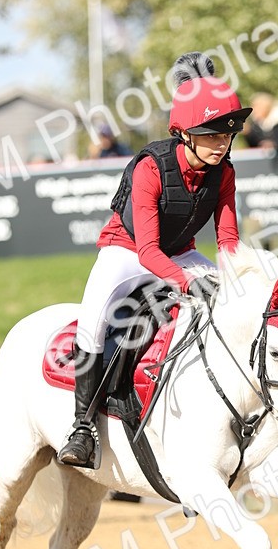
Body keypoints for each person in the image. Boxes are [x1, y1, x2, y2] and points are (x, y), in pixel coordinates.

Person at [58, 51, 252, 468]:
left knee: (233, 302)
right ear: (184, 133)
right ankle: (83, 428)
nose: (222, 143)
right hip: (127, 251)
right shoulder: (151, 167)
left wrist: (238, 278)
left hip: (181, 252)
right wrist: (188, 282)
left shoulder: (225, 172)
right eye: (211, 134)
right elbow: (147, 251)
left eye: (227, 134)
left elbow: (228, 239)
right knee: (93, 320)